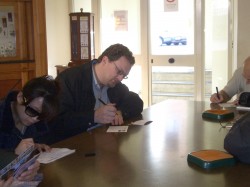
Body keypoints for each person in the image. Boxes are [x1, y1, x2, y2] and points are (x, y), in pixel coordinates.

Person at [50, 43, 143, 142]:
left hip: (105, 142)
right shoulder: (69, 79)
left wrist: (120, 111)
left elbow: (136, 102)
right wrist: (93, 116)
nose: (120, 78)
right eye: (119, 71)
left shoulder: (113, 84)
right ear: (105, 60)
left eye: (124, 75)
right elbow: (57, 121)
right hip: (76, 145)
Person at [0, 75, 60, 150]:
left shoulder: (40, 125)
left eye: (42, 116)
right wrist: (13, 156)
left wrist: (36, 146)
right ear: (20, 97)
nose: (36, 119)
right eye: (33, 111)